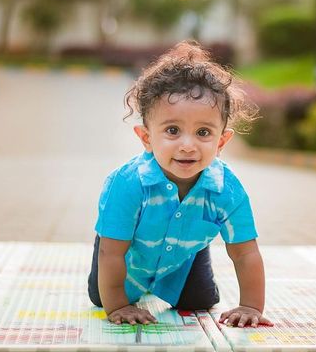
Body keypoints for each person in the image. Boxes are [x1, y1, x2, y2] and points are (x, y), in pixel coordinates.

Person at [88, 41, 273, 329]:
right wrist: (119, 306)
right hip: (125, 255)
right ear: (146, 137)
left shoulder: (227, 189)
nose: (188, 145)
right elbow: (111, 253)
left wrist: (250, 306)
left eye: (203, 132)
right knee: (101, 297)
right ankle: (120, 293)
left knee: (199, 302)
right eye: (172, 131)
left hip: (183, 257)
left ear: (221, 141)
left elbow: (246, 253)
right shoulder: (127, 184)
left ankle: (186, 254)